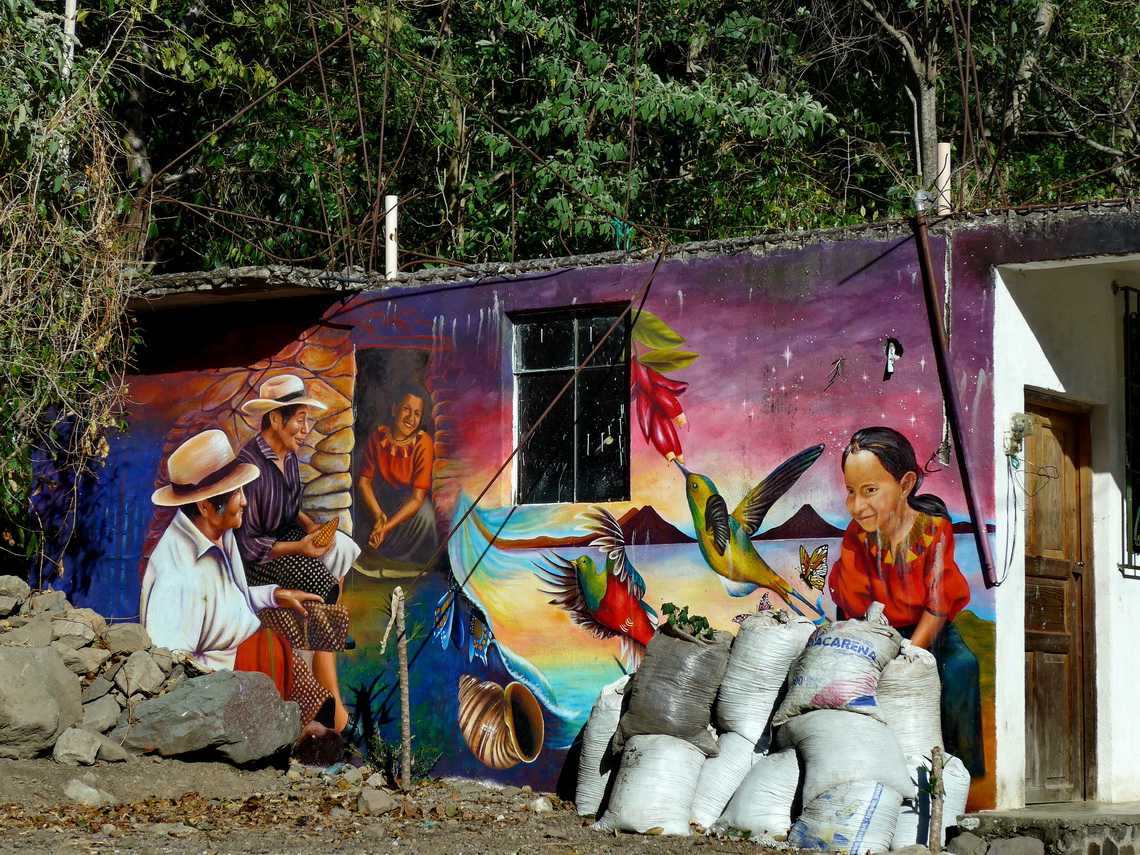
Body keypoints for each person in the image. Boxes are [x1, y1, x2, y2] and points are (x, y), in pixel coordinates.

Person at [140, 429, 334, 727]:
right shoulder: (177, 576)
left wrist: (276, 595)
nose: (244, 502)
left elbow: (229, 598)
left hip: (249, 657)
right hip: (228, 691)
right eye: (236, 494)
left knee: (321, 621)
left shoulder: (220, 531)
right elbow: (171, 668)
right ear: (205, 506)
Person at [827, 426, 985, 776]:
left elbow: (940, 597)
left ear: (905, 484)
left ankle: (962, 774)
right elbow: (855, 599)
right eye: (850, 492)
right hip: (876, 630)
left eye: (869, 490)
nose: (857, 505)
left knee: (960, 668)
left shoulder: (934, 529)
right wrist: (882, 649)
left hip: (928, 629)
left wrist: (913, 652)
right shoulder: (857, 537)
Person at [235, 374, 360, 731]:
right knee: (319, 581)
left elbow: (290, 507)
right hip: (260, 558)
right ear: (277, 419)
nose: (305, 428)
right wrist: (301, 548)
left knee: (343, 547)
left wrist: (309, 527)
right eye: (300, 419)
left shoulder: (287, 457)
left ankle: (325, 629)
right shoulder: (251, 468)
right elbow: (249, 544)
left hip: (286, 535)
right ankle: (325, 632)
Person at [356, 382, 439, 566]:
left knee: (426, 515)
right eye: (406, 409)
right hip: (382, 502)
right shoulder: (377, 438)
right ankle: (376, 558)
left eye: (417, 413)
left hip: (411, 505)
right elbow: (363, 483)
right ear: (394, 409)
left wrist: (386, 527)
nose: (411, 417)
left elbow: (417, 498)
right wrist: (379, 516)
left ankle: (411, 566)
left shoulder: (423, 443)